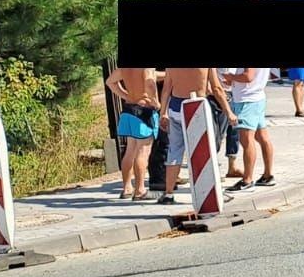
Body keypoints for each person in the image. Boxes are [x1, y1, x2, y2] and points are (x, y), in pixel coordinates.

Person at [156, 67, 235, 206]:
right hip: (197, 106)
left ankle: (168, 193)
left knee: (174, 151)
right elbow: (216, 88)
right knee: (204, 151)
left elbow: (166, 89)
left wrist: (163, 112)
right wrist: (228, 112)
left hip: (176, 106)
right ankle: (212, 192)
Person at [105, 66, 158, 199]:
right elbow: (149, 83)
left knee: (130, 151)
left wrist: (126, 95)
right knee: (143, 151)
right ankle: (140, 190)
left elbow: (110, 81)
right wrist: (156, 103)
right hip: (143, 111)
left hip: (128, 110)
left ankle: (127, 187)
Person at [221, 67, 276, 193]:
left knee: (247, 140)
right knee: (262, 137)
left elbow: (248, 76)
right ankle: (267, 175)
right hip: (257, 97)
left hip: (247, 100)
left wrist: (231, 77)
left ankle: (247, 179)